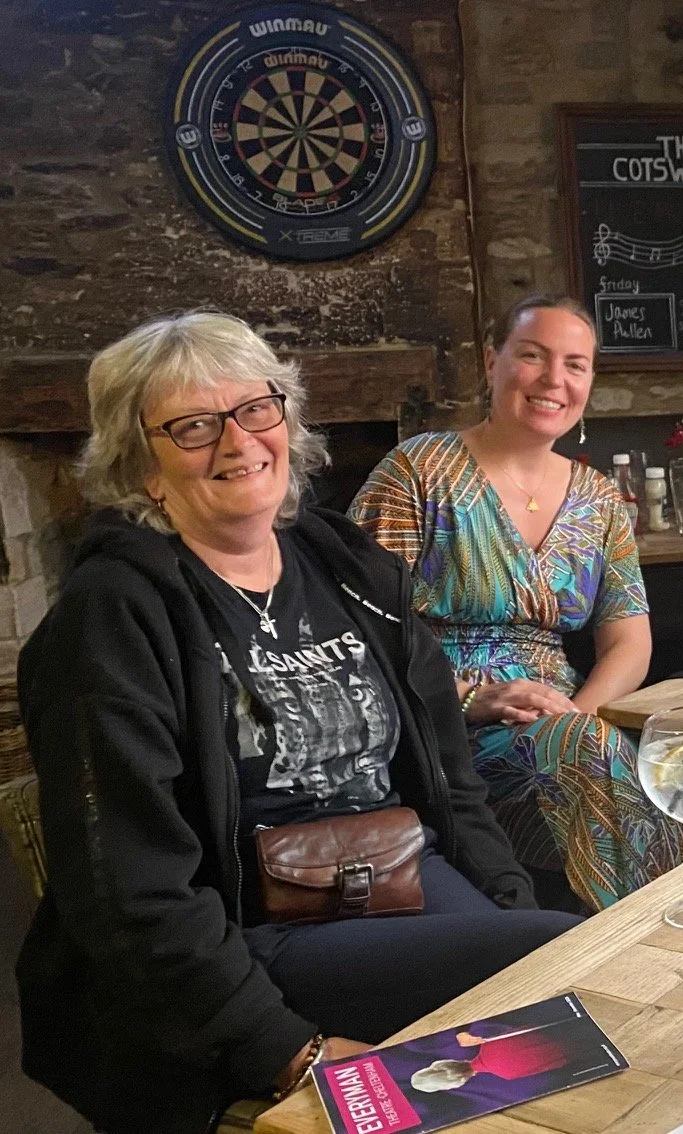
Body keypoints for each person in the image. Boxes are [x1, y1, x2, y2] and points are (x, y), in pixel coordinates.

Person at [16, 312, 580, 1134]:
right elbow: (129, 891)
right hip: (250, 931)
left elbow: (450, 782)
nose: (239, 441)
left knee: (561, 970)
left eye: (256, 409)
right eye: (193, 426)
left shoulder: (348, 568)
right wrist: (289, 1052)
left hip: (402, 877)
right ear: (141, 467)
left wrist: (502, 910)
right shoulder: (111, 617)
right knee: (559, 970)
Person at [351, 295, 683, 911]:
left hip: (566, 722)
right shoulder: (417, 472)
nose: (554, 379)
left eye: (575, 365)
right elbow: (356, 632)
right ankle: (661, 929)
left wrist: (575, 716)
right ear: (491, 362)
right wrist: (469, 697)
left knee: (659, 756)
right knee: (599, 758)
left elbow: (629, 641)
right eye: (532, 356)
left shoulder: (600, 500)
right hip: (440, 724)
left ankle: (632, 929)